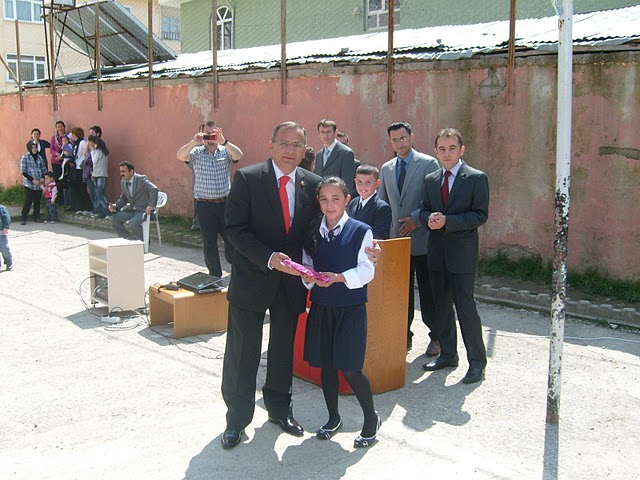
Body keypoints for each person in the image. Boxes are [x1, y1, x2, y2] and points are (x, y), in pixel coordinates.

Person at [220, 121, 322, 450]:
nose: (291, 150)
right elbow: (234, 229)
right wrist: (267, 257)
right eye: (285, 143)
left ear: (305, 151)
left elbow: (319, 229)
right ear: (272, 144)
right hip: (252, 278)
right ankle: (237, 419)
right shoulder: (248, 178)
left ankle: (279, 409)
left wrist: (362, 245)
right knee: (243, 351)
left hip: (291, 284)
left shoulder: (313, 184)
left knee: (282, 349)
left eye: (298, 145)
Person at [301, 176, 380, 448]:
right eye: (324, 199)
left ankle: (371, 419)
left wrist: (339, 278)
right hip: (322, 307)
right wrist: (308, 277)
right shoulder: (313, 231)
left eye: (335, 199)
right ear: (318, 201)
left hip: (350, 309)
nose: (329, 205)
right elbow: (308, 266)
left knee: (350, 368)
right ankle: (333, 418)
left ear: (347, 200)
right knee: (326, 365)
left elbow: (367, 271)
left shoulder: (361, 231)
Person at [419, 128, 489, 384]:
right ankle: (448, 355)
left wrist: (448, 221)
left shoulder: (476, 178)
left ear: (461, 150)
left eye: (451, 149)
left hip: (461, 255)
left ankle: (477, 362)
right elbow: (423, 211)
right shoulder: (431, 179)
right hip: (437, 255)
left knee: (466, 309)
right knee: (441, 308)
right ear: (436, 152)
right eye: (442, 149)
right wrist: (428, 218)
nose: (446, 154)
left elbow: (480, 215)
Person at [379, 121, 447, 355]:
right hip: (396, 242)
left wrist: (415, 219)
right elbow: (383, 203)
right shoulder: (387, 168)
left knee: (429, 293)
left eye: (403, 138)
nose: (399, 143)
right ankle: (402, 337)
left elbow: (435, 200)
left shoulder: (428, 164)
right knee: (399, 294)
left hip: (423, 239)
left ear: (411, 137)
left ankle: (436, 337)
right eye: (395, 140)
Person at [176, 121, 243, 278]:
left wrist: (224, 141)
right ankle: (215, 275)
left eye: (213, 133)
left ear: (219, 133)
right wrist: (193, 142)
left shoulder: (225, 151)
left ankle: (236, 270)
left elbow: (239, 155)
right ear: (202, 134)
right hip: (204, 204)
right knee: (209, 242)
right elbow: (180, 155)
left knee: (231, 239)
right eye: (207, 134)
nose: (210, 137)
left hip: (225, 203)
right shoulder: (196, 152)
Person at [108, 161, 159, 241]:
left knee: (133, 223)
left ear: (131, 172)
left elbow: (154, 189)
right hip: (132, 210)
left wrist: (151, 206)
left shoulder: (141, 179)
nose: (121, 174)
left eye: (123, 171)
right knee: (113, 219)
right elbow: (123, 199)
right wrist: (115, 206)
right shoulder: (123, 182)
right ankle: (129, 240)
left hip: (144, 211)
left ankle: (144, 242)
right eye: (120, 171)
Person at [346, 164, 391, 240]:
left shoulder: (382, 208)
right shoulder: (353, 203)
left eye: (368, 183)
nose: (363, 187)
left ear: (377, 183)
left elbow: (379, 236)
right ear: (355, 181)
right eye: (359, 182)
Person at [314, 119, 356, 195]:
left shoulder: (346, 153)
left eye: (328, 132)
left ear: (335, 132)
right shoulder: (319, 155)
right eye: (322, 132)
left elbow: (347, 184)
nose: (325, 135)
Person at [20, 141, 47, 225]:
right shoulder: (25, 157)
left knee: (37, 201)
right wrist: (32, 180)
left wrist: (42, 178)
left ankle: (36, 216)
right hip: (29, 183)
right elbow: (23, 171)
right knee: (28, 200)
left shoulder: (39, 158)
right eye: (32, 148)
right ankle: (24, 217)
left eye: (35, 147)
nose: (34, 149)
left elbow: (44, 170)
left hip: (39, 183)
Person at [88, 135, 110, 219]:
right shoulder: (98, 151)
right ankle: (100, 212)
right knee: (97, 194)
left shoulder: (99, 151)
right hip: (97, 174)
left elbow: (94, 160)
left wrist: (92, 150)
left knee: (100, 194)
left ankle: (107, 212)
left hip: (101, 175)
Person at [50, 121, 70, 205]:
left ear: (64, 127)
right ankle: (59, 199)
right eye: (58, 127)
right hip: (55, 162)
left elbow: (68, 147)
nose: (60, 128)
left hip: (65, 161)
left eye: (61, 126)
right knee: (57, 180)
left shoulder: (68, 136)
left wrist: (62, 155)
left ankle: (67, 201)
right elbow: (51, 149)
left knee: (65, 180)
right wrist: (57, 154)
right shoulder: (54, 138)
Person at [0, 203, 13, 271]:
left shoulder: (1, 208)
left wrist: (5, 227)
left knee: (4, 249)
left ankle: (8, 262)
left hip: (1, 232)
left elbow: (6, 218)